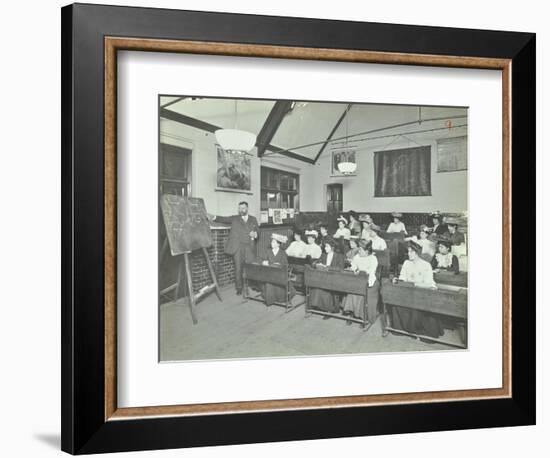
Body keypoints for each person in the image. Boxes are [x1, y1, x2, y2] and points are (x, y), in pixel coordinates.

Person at [388, 241, 444, 339]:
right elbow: (403, 277)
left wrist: (414, 284)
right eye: (408, 252)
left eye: (412, 252)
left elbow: (428, 283)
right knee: (396, 301)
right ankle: (401, 328)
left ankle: (418, 331)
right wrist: (398, 280)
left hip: (422, 291)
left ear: (417, 253)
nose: (409, 254)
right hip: (410, 290)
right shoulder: (406, 263)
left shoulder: (426, 265)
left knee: (418, 305)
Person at [211, 201, 258, 295]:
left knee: (251, 266)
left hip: (249, 247)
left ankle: (252, 285)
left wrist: (256, 233)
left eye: (243, 208)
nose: (241, 210)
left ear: (247, 208)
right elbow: (223, 219)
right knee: (238, 268)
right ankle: (239, 288)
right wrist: (213, 217)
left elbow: (258, 230)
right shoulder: (235, 218)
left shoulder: (253, 219)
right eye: (240, 208)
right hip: (238, 247)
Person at [342, 239, 380, 326]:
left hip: (369, 280)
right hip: (358, 279)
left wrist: (361, 272)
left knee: (363, 291)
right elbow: (353, 266)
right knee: (352, 290)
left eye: (360, 250)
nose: (358, 251)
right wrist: (354, 270)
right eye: (359, 249)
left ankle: (363, 316)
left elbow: (371, 271)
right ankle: (352, 313)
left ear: (366, 251)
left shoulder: (373, 258)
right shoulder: (357, 257)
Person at [309, 238, 345, 315]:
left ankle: (329, 308)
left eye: (327, 247)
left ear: (332, 247)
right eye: (325, 247)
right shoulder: (323, 255)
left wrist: (327, 267)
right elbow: (314, 262)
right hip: (324, 277)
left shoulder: (339, 256)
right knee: (316, 286)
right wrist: (316, 264)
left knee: (326, 288)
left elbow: (340, 268)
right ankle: (318, 306)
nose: (325, 248)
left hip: (335, 278)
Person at [260, 233, 295, 306]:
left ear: (278, 244)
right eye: (272, 241)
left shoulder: (283, 253)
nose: (271, 243)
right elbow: (263, 260)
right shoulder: (268, 251)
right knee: (269, 278)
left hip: (279, 273)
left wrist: (280, 265)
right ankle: (270, 299)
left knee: (273, 278)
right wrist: (264, 262)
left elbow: (285, 265)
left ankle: (280, 297)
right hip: (270, 272)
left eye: (273, 242)